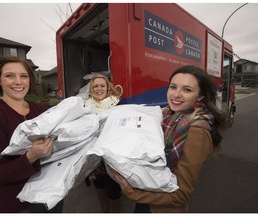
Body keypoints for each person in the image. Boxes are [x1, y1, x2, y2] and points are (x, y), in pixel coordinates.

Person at [109, 65, 226, 213]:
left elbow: (181, 194)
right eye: (173, 87)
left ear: (200, 95)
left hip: (161, 208)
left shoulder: (197, 130)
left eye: (187, 90)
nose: (176, 94)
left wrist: (131, 191)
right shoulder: (167, 114)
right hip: (148, 195)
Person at [0, 56, 64, 213]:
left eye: (24, 76)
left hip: (52, 197)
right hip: (20, 204)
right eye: (9, 76)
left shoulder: (42, 110)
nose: (18, 81)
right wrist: (31, 156)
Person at [84, 74, 123, 212]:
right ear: (91, 88)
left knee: (113, 191)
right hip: (94, 157)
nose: (99, 89)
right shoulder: (86, 107)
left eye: (102, 86)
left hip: (111, 156)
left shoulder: (117, 104)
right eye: (96, 86)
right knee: (99, 187)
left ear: (108, 88)